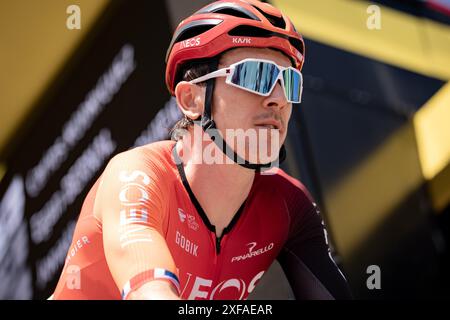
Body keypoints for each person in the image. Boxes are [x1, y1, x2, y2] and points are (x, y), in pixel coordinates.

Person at [51, 0, 352, 300]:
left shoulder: (289, 205)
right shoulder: (138, 175)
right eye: (254, 76)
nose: (277, 98)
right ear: (191, 100)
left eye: (289, 82)